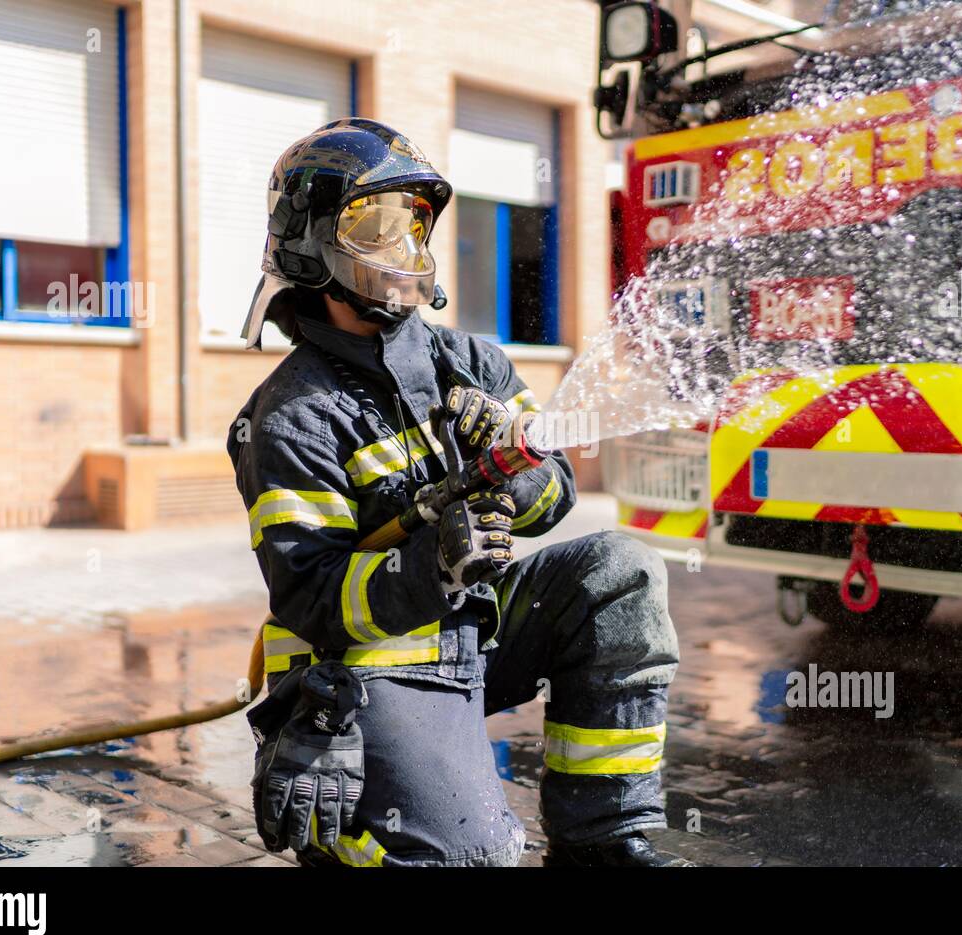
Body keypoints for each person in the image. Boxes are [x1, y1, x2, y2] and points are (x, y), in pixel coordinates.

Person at [228, 118, 686, 867]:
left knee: (619, 571)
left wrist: (507, 452)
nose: (407, 250)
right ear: (314, 242)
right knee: (478, 858)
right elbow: (312, 601)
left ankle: (602, 842)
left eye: (415, 224)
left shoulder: (472, 361)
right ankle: (335, 789)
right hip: (369, 665)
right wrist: (431, 567)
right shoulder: (290, 417)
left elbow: (555, 497)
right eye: (377, 226)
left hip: (479, 634)